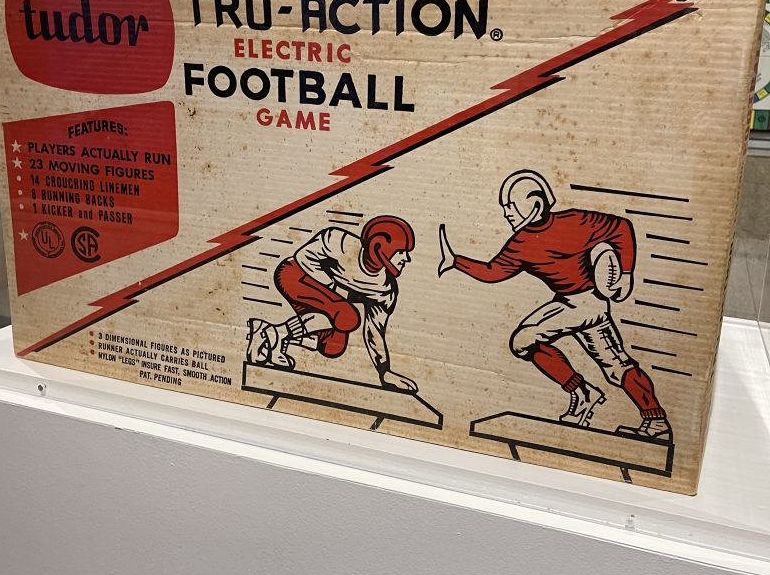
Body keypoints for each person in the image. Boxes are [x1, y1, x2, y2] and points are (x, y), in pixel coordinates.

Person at [438, 170, 672, 441]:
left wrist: (626, 273)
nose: (506, 213)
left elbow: (621, 228)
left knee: (525, 340)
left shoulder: (576, 222)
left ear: (535, 204)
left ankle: (586, 394)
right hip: (568, 302)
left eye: (511, 206)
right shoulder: (520, 243)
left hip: (588, 302)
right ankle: (652, 418)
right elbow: (493, 272)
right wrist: (456, 261)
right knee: (616, 366)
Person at [247, 215, 418, 393]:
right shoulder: (338, 241)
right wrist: (333, 295)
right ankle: (276, 334)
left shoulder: (386, 290)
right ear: (378, 246)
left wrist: (384, 371)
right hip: (294, 276)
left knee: (332, 346)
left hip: (326, 300)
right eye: (401, 251)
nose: (407, 258)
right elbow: (303, 257)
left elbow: (374, 333)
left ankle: (270, 336)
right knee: (348, 316)